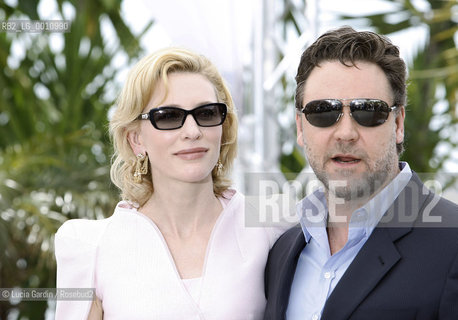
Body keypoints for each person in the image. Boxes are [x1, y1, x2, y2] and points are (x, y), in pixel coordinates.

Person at [54, 47, 287, 319]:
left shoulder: (270, 226)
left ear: (223, 128)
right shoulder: (90, 247)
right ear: (136, 139)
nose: (192, 131)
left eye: (207, 113)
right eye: (168, 117)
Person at [263, 26, 458, 320]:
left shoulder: (452, 244)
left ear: (398, 123)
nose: (345, 133)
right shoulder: (282, 250)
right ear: (301, 127)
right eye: (323, 112)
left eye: (368, 111)